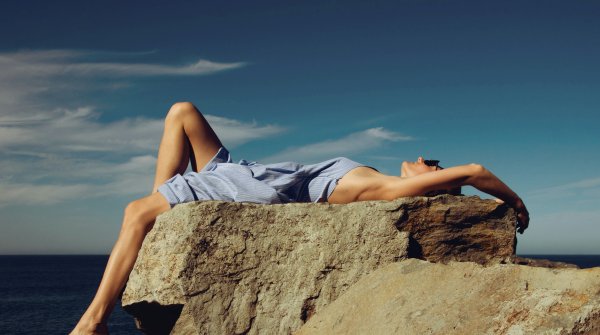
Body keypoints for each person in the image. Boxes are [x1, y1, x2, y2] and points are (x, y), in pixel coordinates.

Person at [70, 102, 529, 334]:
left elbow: (475, 172)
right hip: (245, 169)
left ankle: (92, 322)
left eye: (432, 163)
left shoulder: (385, 188)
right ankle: (165, 201)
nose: (422, 158)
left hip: (261, 189)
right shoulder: (378, 177)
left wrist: (516, 204)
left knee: (136, 211)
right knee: (182, 111)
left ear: (438, 183)